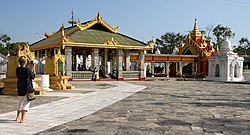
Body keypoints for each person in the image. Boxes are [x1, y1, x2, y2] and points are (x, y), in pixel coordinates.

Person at [15, 56, 35, 123]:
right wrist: (32, 68)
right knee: (26, 103)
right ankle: (22, 119)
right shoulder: (27, 70)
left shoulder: (17, 69)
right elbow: (33, 76)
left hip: (20, 87)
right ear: (25, 62)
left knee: (20, 102)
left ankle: (17, 117)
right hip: (27, 88)